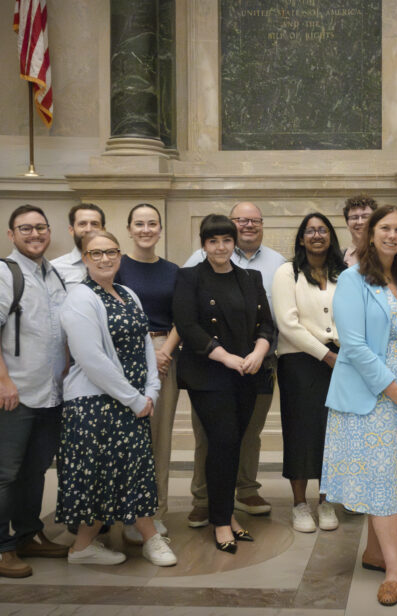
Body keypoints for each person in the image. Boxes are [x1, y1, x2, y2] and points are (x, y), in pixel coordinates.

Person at [320, 205, 397, 606]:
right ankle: (391, 570)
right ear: (370, 235)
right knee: (382, 482)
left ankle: (373, 553)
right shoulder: (353, 281)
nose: (392, 235)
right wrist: (395, 391)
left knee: (390, 476)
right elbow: (353, 346)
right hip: (372, 398)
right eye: (384, 228)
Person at [57, 231, 177, 567]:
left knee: (131, 472)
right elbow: (92, 359)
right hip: (95, 405)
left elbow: (145, 347)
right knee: (104, 477)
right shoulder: (80, 297)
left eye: (110, 252)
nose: (104, 259)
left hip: (132, 402)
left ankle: (86, 547)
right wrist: (134, 399)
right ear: (84, 259)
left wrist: (151, 390)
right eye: (95, 254)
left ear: (120, 256)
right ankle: (148, 537)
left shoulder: (128, 294)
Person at [0, 205, 70, 578]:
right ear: (11, 235)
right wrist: (2, 380)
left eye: (41, 227)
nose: (35, 234)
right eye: (25, 228)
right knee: (4, 472)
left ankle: (29, 534)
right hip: (10, 392)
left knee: (34, 472)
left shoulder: (53, 275)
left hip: (48, 394)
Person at [174, 214, 274, 553]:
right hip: (210, 374)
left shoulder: (251, 277)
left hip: (248, 372)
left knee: (235, 445)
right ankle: (220, 522)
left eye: (226, 240)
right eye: (213, 241)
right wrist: (226, 357)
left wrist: (260, 351)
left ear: (234, 243)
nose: (221, 247)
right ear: (203, 245)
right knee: (223, 443)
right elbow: (188, 326)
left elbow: (266, 324)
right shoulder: (189, 277)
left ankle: (227, 513)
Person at [271, 213, 346, 533]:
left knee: (334, 432)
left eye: (323, 230)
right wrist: (325, 354)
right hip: (301, 362)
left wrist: (341, 354)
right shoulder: (286, 273)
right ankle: (300, 504)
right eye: (310, 231)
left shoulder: (345, 273)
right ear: (301, 238)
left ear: (331, 237)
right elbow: (288, 324)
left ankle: (326, 500)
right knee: (301, 433)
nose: (317, 235)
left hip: (341, 361)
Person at [114, 204, 179, 543]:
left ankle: (156, 512)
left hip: (166, 355)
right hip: (125, 358)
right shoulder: (116, 266)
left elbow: (182, 316)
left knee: (159, 439)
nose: (145, 229)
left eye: (152, 223)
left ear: (160, 229)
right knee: (128, 440)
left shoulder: (173, 271)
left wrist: (164, 353)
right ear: (129, 229)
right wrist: (145, 353)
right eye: (139, 223)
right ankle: (128, 513)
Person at [52, 203, 106, 286]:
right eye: (82, 224)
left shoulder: (114, 265)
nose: (89, 229)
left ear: (103, 230)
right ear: (71, 230)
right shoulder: (54, 268)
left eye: (94, 224)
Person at [342, 193, 377, 266]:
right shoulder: (340, 257)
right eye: (354, 217)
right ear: (347, 224)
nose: (360, 222)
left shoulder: (385, 255)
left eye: (365, 217)